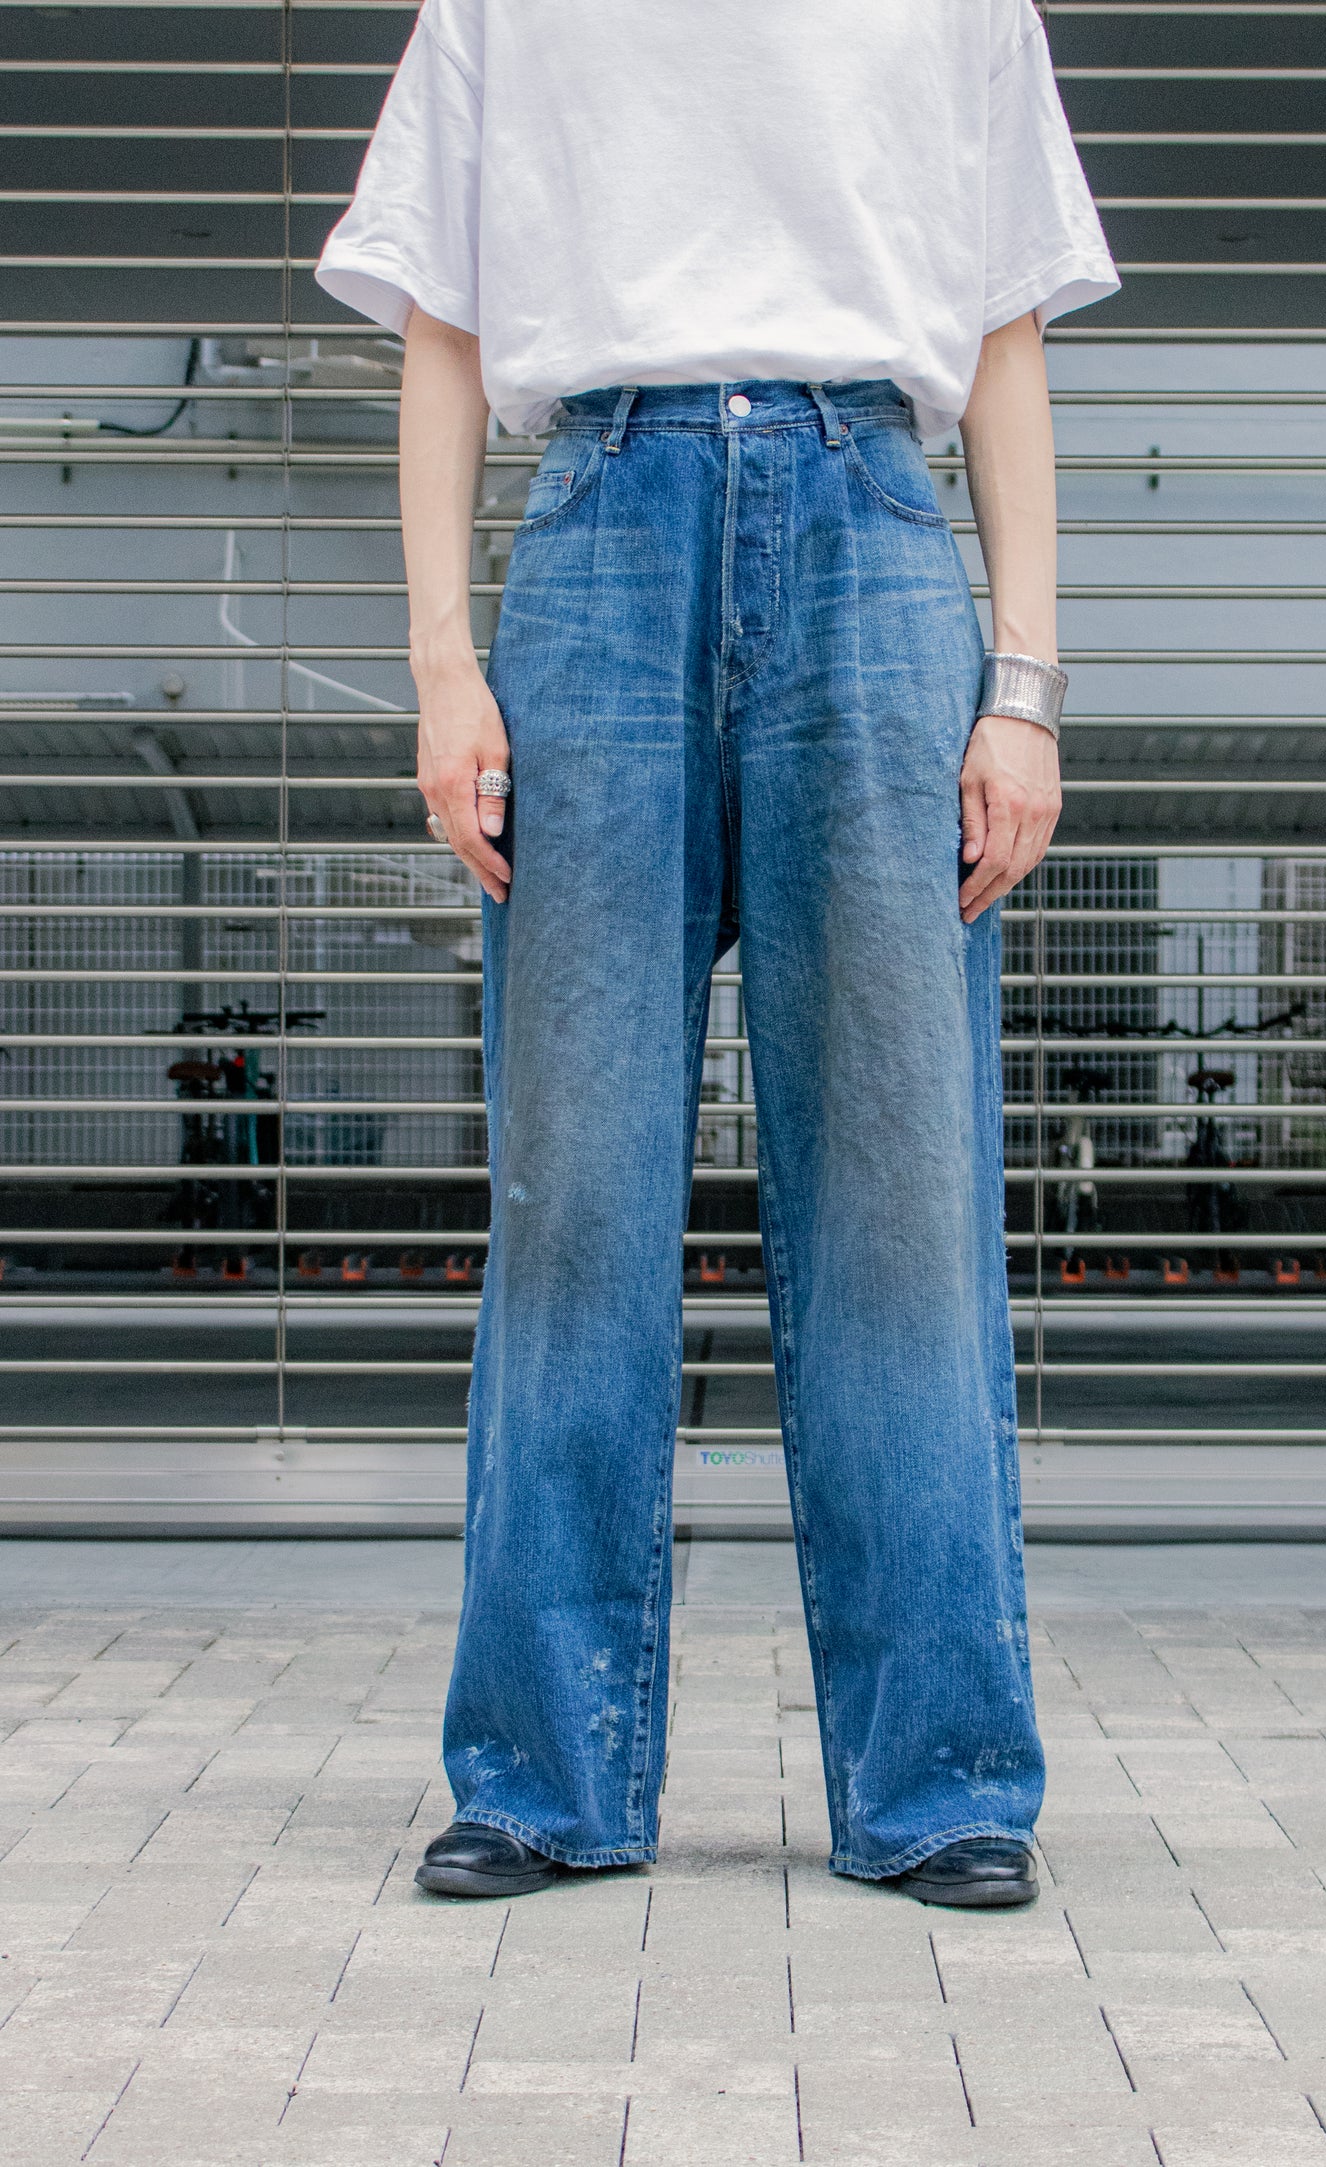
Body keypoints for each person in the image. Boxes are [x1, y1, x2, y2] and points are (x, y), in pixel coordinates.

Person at [316, 0, 1117, 1909]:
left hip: (874, 522)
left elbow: (1002, 331)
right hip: (600, 527)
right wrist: (440, 664)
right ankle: (541, 1778)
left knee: (900, 1196)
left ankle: (940, 1782)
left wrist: (1023, 685)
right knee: (575, 1198)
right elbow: (442, 319)